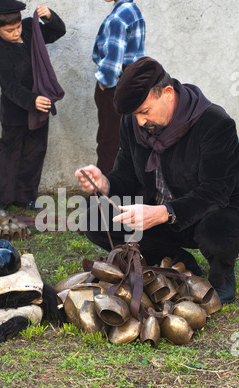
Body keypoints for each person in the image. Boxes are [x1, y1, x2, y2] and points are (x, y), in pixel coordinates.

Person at [75, 56, 239, 305]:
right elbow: (128, 175)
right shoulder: (133, 123)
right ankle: (174, 259)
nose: (140, 121)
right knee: (96, 217)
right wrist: (104, 184)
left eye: (145, 111)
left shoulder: (215, 123)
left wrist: (164, 212)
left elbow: (215, 193)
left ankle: (221, 274)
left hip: (209, 213)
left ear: (168, 93)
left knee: (218, 229)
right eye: (135, 114)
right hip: (156, 213)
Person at [0, 0, 66, 210]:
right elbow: (10, 87)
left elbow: (56, 33)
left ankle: (26, 197)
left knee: (35, 151)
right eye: (9, 30)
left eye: (18, 26)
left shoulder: (30, 29)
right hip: (16, 111)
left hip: (42, 106)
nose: (17, 33)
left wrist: (50, 17)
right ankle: (1, 200)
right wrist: (32, 101)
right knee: (8, 153)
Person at [92, 0, 145, 175]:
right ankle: (123, 191)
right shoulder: (133, 11)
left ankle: (103, 196)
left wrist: (105, 81)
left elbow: (114, 58)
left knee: (109, 142)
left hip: (115, 86)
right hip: (130, 83)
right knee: (125, 141)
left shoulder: (120, 17)